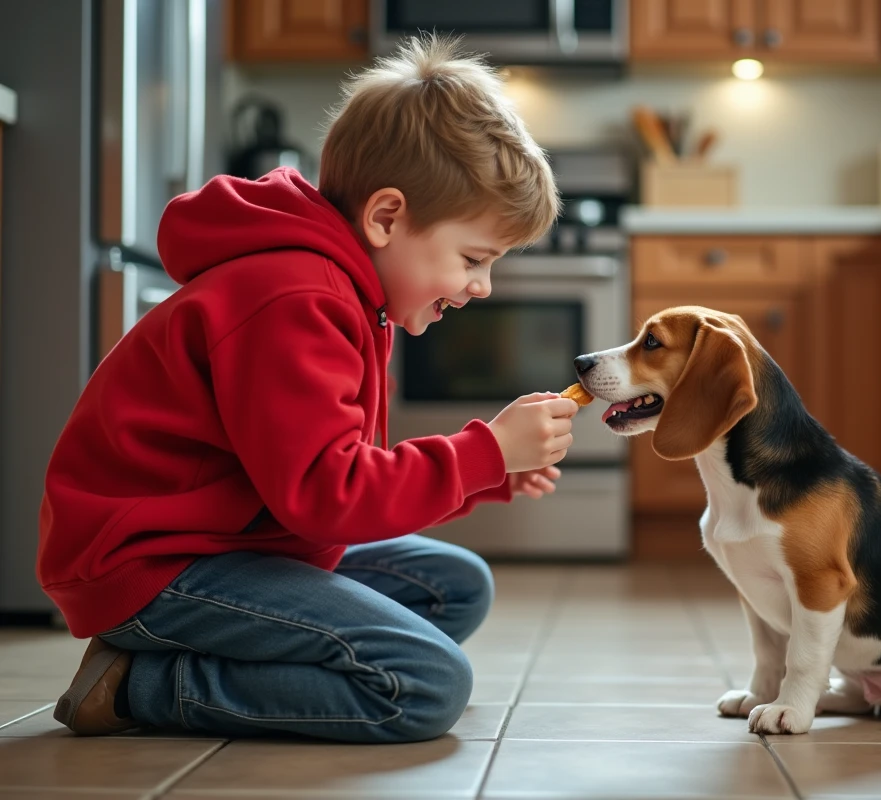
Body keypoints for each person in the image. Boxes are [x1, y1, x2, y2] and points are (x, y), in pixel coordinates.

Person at [39, 34, 574, 743]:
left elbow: (328, 482)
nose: (482, 286)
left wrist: (489, 473)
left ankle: (202, 649)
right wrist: (484, 454)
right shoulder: (296, 297)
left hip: (228, 541)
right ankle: (139, 684)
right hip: (150, 565)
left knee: (456, 587)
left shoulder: (342, 288)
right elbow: (329, 494)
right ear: (387, 218)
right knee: (422, 685)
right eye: (474, 258)